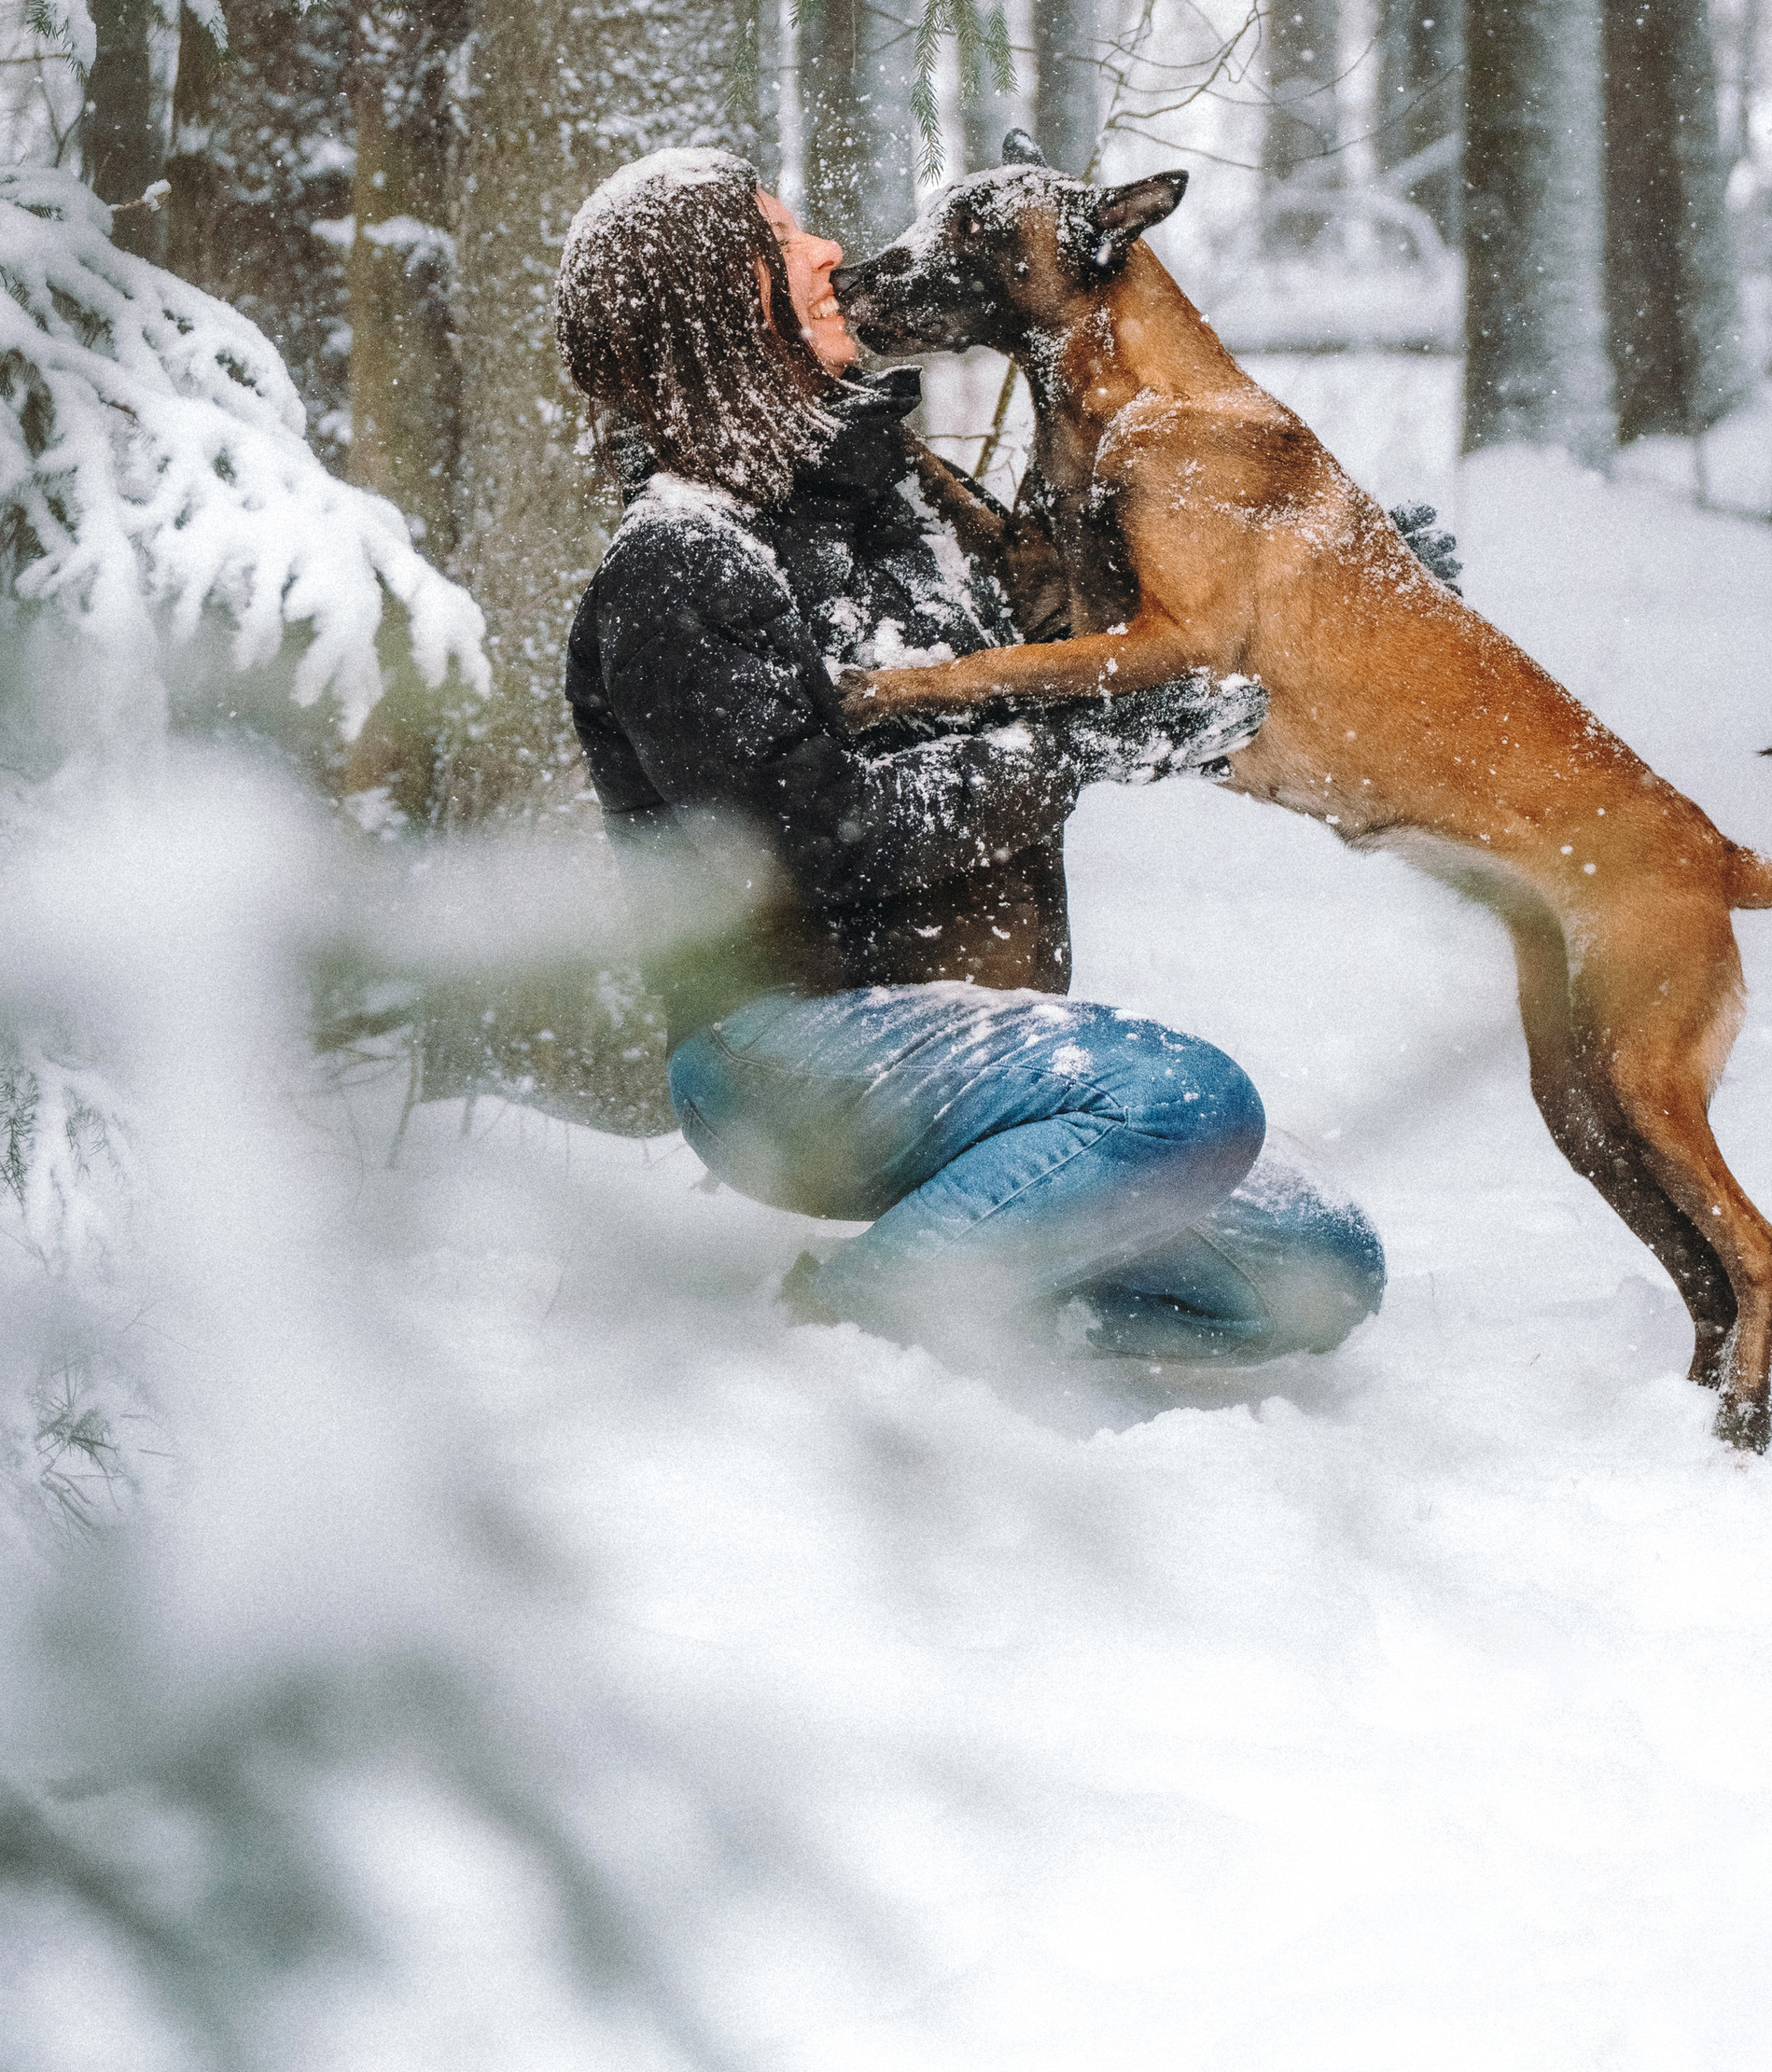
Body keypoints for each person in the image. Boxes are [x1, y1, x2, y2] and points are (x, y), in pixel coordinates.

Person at [557, 142, 1386, 1369]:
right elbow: (806, 836)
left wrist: (1304, 592)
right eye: (783, 240)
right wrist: (1073, 751)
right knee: (1185, 1100)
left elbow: (1060, 643)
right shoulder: (682, 560)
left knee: (1324, 1265)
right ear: (725, 301)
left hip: (966, 1037)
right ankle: (848, 1332)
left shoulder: (884, 498)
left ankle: (997, 1291)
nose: (829, 250)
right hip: (787, 1053)